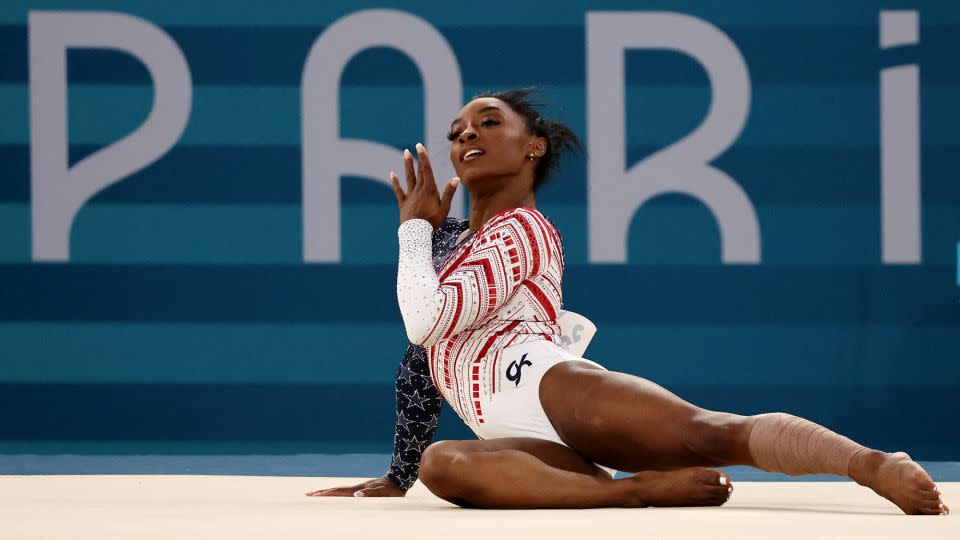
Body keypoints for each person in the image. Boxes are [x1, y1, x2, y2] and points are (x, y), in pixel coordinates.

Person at [307, 89, 948, 514]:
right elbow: (422, 359)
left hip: (552, 390)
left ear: (534, 147)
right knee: (443, 464)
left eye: (488, 122)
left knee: (709, 433)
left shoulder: (524, 230)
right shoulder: (450, 248)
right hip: (511, 439)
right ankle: (630, 491)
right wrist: (399, 471)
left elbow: (422, 318)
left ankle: (871, 464)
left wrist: (413, 232)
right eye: (456, 131)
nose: (466, 134)